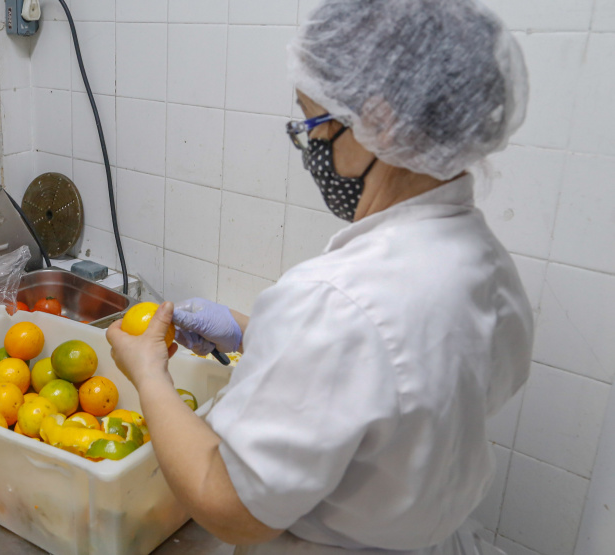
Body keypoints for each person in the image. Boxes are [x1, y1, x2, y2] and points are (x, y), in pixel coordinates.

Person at [106, 0, 532, 553]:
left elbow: (229, 506)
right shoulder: (489, 267)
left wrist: (149, 376)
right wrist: (254, 333)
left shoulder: (337, 299)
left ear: (379, 123)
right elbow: (397, 387)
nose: (310, 148)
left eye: (312, 122)